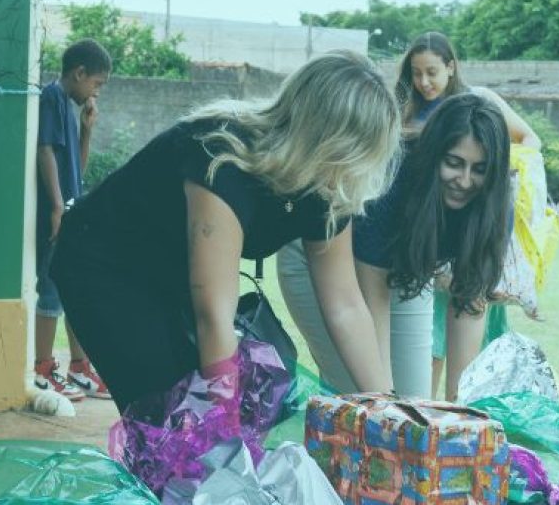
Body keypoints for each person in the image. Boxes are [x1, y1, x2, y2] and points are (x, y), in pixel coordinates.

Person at [52, 50, 399, 411]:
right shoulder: (223, 159)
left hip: (175, 268)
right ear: (324, 141)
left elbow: (345, 305)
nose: (356, 173)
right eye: (354, 156)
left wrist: (389, 409)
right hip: (103, 261)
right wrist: (226, 436)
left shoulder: (329, 184)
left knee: (242, 395)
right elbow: (213, 317)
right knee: (169, 411)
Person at [277, 30, 536, 399]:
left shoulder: (493, 207)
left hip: (405, 266)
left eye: (479, 170)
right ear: (434, 158)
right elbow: (369, 303)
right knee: (365, 395)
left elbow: (468, 304)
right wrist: (383, 402)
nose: (464, 180)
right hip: (326, 260)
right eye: (454, 163)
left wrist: (458, 410)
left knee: (418, 403)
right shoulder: (393, 184)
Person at [34, 37, 112, 401]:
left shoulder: (69, 107)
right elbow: (45, 150)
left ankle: (79, 368)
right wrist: (54, 206)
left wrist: (87, 130)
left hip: (70, 210)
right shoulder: (51, 97)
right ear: (79, 73)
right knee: (50, 289)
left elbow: (76, 172)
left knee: (75, 288)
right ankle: (42, 369)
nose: (96, 92)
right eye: (96, 83)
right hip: (57, 214)